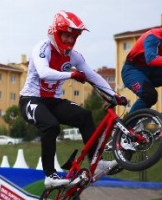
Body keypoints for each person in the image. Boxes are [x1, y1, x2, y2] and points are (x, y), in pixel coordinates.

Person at [18, 11, 128, 188]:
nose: (70, 40)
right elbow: (43, 72)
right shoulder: (42, 48)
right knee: (51, 125)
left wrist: (114, 94)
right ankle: (50, 176)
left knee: (84, 115)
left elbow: (92, 75)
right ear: (56, 33)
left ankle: (95, 161)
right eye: (67, 35)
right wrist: (72, 75)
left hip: (53, 101)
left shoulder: (74, 55)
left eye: (73, 37)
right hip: (31, 100)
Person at [121, 27, 162, 113]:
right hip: (132, 70)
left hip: (152, 71)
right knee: (149, 96)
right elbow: (151, 59)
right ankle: (128, 125)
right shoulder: (153, 36)